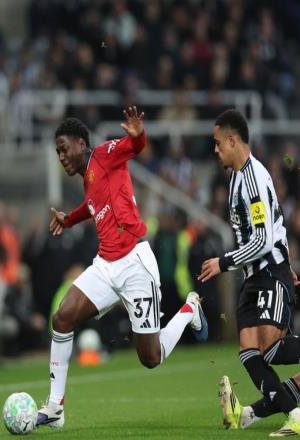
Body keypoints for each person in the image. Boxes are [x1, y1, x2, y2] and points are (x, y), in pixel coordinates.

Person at [36, 107, 208, 430]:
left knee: (150, 357)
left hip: (134, 264)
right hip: (105, 265)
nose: (61, 156)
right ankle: (56, 406)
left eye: (64, 148)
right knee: (63, 316)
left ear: (81, 143)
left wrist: (138, 135)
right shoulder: (89, 179)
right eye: (57, 152)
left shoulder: (104, 155)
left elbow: (134, 146)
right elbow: (91, 206)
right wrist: (68, 219)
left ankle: (189, 309)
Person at [197, 109, 300, 437]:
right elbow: (275, 224)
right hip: (255, 275)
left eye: (217, 143)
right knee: (248, 351)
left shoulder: (253, 179)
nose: (215, 150)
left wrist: (223, 262)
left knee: (270, 347)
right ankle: (271, 413)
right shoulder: (237, 177)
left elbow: (263, 238)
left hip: (268, 271)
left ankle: (293, 415)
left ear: (232, 140)